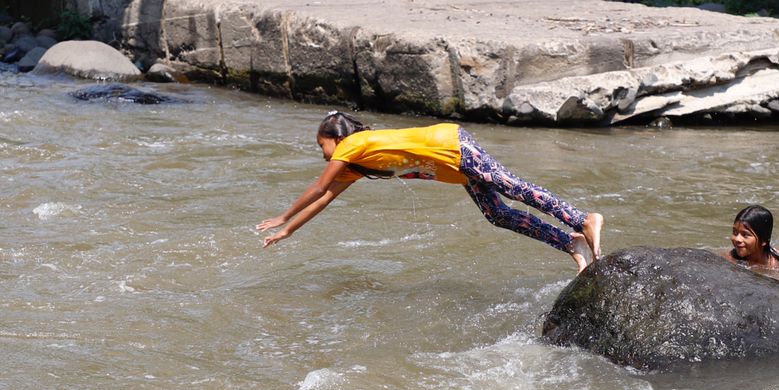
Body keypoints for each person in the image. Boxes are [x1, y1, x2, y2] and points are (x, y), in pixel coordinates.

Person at [256, 112, 603, 270]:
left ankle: (582, 218)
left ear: (336, 137)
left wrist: (284, 215)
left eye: (322, 145)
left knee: (509, 186)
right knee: (497, 214)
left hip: (452, 146)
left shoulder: (353, 143)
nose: (322, 152)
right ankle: (569, 242)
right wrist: (288, 230)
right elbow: (327, 197)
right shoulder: (357, 164)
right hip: (454, 168)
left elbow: (318, 187)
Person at [723, 205, 779, 269]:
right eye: (735, 232)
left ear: (763, 240)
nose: (737, 239)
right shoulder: (729, 260)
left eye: (745, 235)